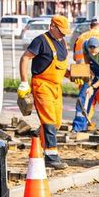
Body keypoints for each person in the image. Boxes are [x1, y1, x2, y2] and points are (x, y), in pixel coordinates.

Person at [18, 14, 71, 170]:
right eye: (60, 31)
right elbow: (25, 58)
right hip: (42, 85)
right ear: (52, 27)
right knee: (48, 120)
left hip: (56, 87)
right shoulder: (41, 41)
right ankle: (51, 156)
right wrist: (23, 81)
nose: (62, 35)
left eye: (64, 32)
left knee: (57, 122)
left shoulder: (63, 43)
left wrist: (73, 76)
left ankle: (38, 139)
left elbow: (61, 68)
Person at [72, 19, 99, 131]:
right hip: (96, 72)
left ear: (90, 25)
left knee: (85, 99)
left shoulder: (80, 37)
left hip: (84, 73)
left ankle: (80, 126)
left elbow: (75, 58)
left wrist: (86, 76)